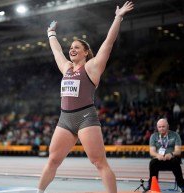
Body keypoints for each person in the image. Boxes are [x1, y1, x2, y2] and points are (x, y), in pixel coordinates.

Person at [37, 1, 134, 193]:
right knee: (53, 160)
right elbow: (56, 50)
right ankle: (39, 192)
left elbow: (108, 42)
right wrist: (51, 33)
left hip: (85, 118)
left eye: (76, 47)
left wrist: (118, 17)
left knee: (99, 162)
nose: (71, 50)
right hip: (65, 119)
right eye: (70, 48)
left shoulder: (92, 67)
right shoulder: (66, 68)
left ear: (86, 52)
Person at [147, 118, 184, 192]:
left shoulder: (175, 135)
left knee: (175, 162)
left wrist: (171, 154)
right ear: (157, 128)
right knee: (152, 163)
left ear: (168, 126)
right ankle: (152, 186)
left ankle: (182, 186)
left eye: (163, 126)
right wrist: (158, 155)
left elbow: (178, 151)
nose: (161, 128)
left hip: (172, 159)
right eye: (159, 127)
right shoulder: (154, 136)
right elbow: (152, 152)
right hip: (159, 159)